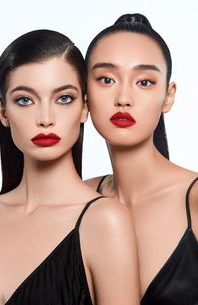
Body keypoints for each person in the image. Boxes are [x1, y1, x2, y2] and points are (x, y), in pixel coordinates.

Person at [0, 29, 140, 305]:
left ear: (84, 107)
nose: (45, 118)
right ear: (3, 111)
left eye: (63, 98)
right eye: (25, 100)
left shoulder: (104, 222)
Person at [85, 13, 198, 304]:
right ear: (84, 94)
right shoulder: (74, 202)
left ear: (168, 96)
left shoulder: (195, 201)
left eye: (144, 82)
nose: (124, 97)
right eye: (106, 79)